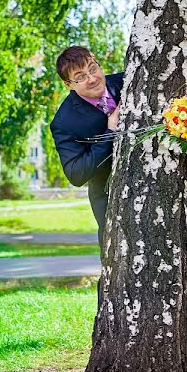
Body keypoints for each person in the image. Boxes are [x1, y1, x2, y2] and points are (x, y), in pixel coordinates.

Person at [50, 46, 123, 246]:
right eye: (80, 77)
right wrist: (111, 133)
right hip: (110, 199)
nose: (91, 78)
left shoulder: (130, 80)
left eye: (93, 69)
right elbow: (76, 174)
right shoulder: (64, 122)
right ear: (68, 84)